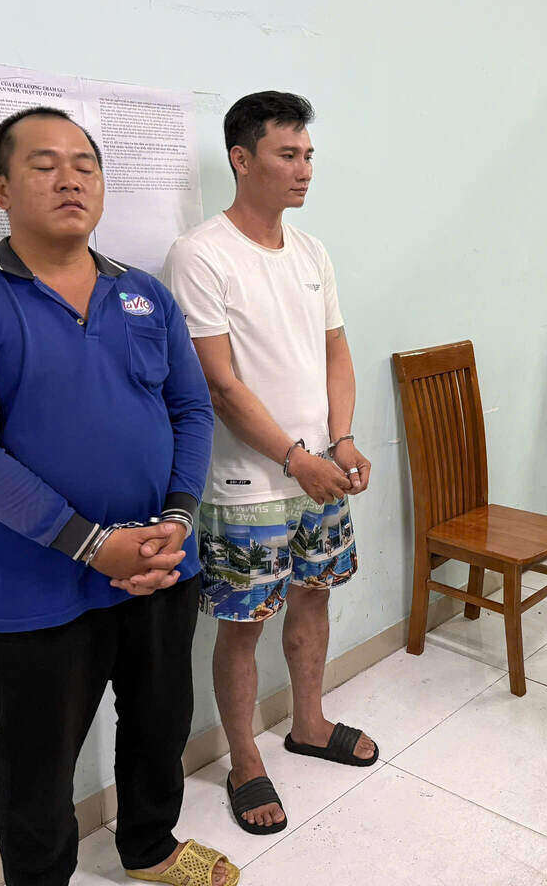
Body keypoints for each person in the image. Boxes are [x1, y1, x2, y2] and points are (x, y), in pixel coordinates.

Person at [0, 107, 236, 886]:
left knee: (160, 726)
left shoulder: (145, 296)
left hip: (163, 565)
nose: (71, 179)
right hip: (43, 584)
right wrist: (94, 544)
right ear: (0, 186)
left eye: (85, 164)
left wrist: (178, 520)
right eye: (45, 164)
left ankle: (150, 849)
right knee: (35, 763)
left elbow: (190, 409)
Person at [162, 91, 377, 837]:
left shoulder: (312, 251)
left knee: (315, 598)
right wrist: (294, 456)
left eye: (308, 154)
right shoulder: (200, 255)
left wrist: (339, 440)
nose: (304, 169)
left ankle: (310, 722)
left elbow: (336, 350)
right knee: (243, 625)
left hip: (321, 472)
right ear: (242, 159)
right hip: (246, 484)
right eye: (288, 155)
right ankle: (245, 758)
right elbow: (218, 383)